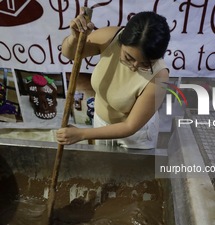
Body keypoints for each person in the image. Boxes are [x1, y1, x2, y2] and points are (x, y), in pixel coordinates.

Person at [56, 7, 170, 149]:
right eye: (128, 57)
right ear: (120, 42)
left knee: (128, 171)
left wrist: (82, 134)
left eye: (146, 64)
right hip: (100, 123)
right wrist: (75, 37)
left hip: (134, 136)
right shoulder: (111, 37)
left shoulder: (160, 76)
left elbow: (130, 126)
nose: (134, 67)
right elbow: (69, 53)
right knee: (103, 168)